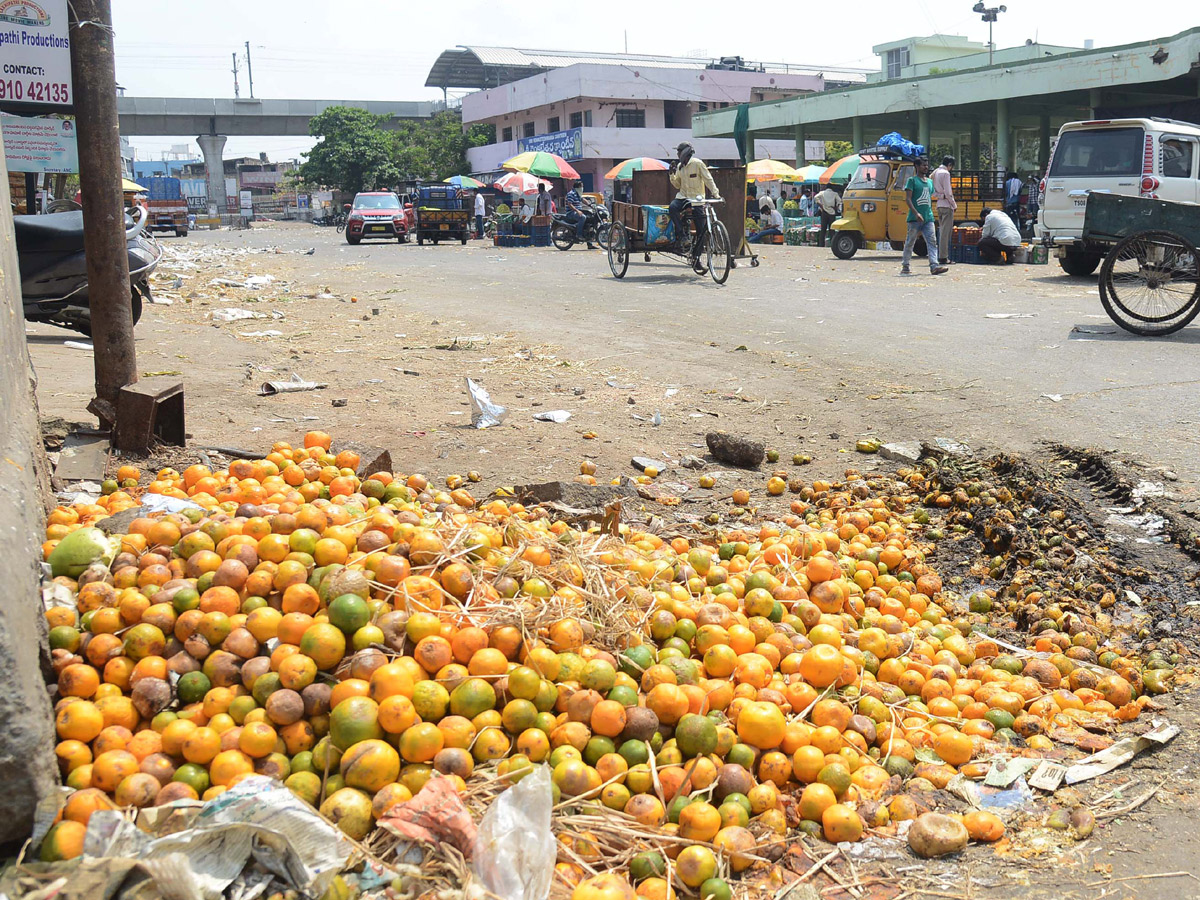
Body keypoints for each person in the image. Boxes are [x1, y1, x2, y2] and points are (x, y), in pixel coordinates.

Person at [668, 141, 720, 272]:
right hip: (683, 198)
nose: (677, 154)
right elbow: (677, 185)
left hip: (697, 201)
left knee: (702, 231)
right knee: (672, 207)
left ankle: (696, 259)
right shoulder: (680, 166)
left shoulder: (697, 163)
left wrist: (716, 194)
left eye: (679, 151)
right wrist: (671, 174)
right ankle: (682, 236)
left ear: (685, 152)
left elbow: (708, 179)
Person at [901, 157, 949, 276]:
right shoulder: (912, 181)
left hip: (928, 218)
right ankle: (905, 266)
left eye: (927, 165)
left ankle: (934, 266)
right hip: (914, 219)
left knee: (932, 242)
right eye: (923, 165)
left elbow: (931, 195)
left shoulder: (929, 182)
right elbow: (908, 199)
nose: (926, 167)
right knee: (910, 242)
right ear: (916, 166)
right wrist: (916, 213)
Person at [932, 155, 957, 265]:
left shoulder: (935, 172)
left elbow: (932, 190)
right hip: (947, 206)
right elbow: (948, 192)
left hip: (939, 205)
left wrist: (939, 196)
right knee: (945, 233)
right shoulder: (946, 173)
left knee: (941, 231)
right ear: (950, 165)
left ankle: (940, 255)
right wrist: (954, 205)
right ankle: (943, 257)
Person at [564, 180, 592, 248]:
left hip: (578, 211)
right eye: (582, 186)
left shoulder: (577, 194)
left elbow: (583, 200)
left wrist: (590, 204)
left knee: (590, 219)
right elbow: (570, 204)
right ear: (578, 187)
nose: (582, 188)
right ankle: (578, 234)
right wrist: (577, 211)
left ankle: (589, 243)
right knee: (583, 217)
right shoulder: (571, 193)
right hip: (571, 212)